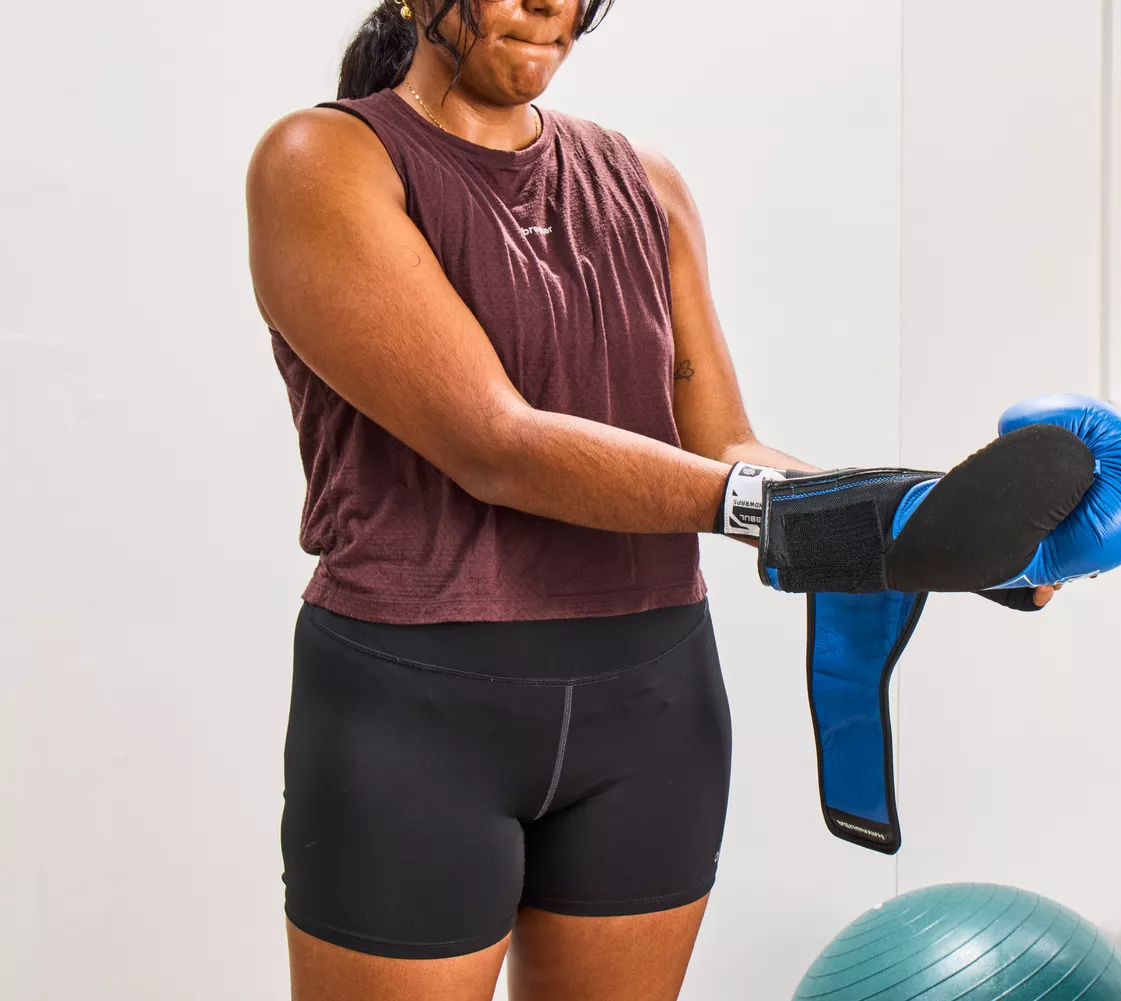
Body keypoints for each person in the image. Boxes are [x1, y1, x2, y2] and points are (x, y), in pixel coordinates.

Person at [247, 2, 1057, 998]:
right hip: (417, 705)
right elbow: (495, 442)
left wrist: (931, 530)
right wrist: (810, 518)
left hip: (654, 705)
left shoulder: (646, 182)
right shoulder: (323, 159)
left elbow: (724, 447)